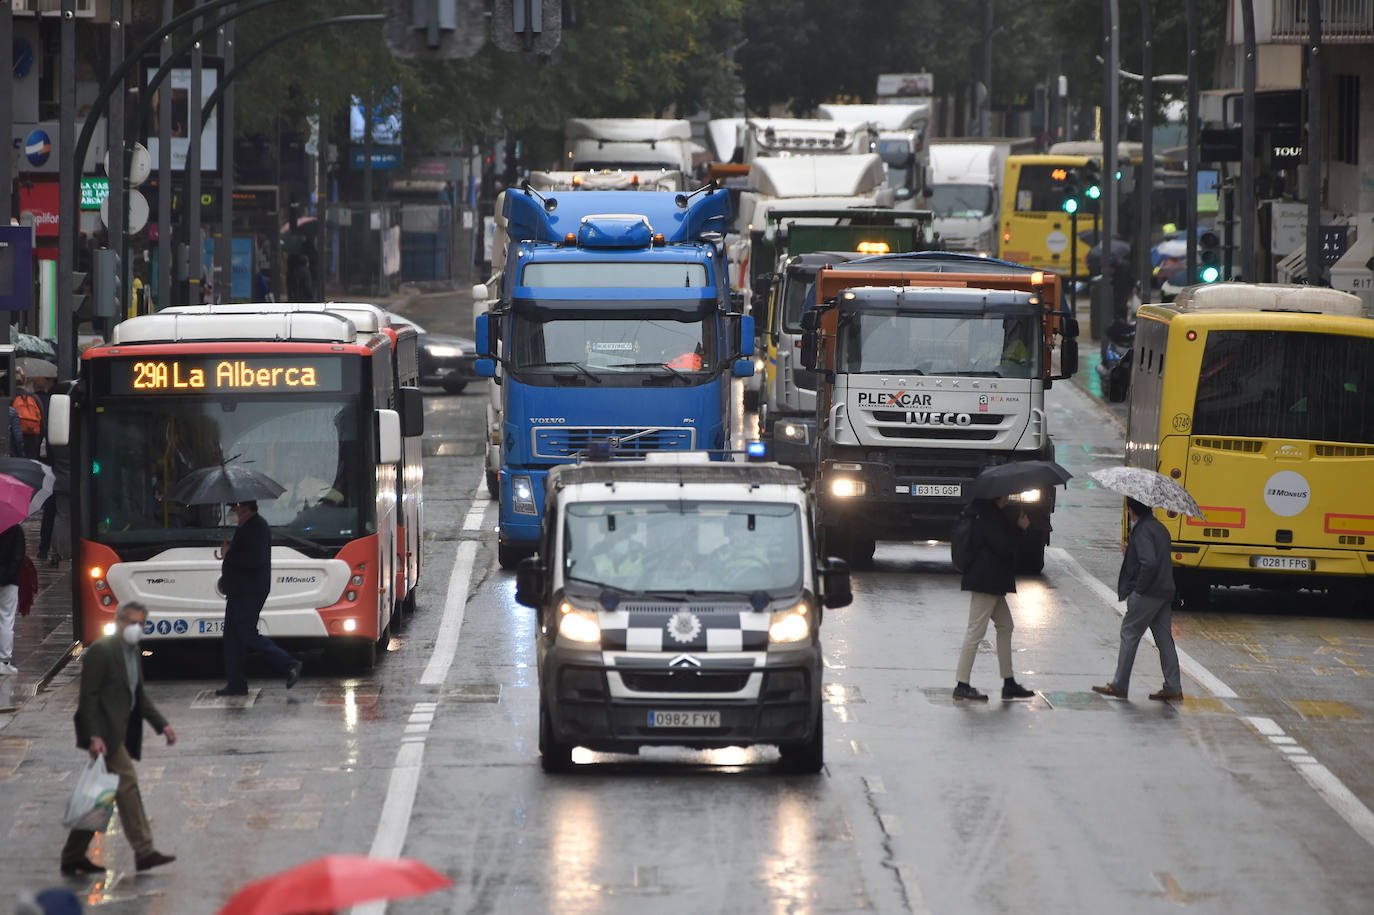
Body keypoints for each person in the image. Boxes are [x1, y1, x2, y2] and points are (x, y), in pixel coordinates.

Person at [60, 601, 177, 875]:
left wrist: (163, 725)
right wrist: (92, 736)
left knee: (99, 796)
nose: (137, 628)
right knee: (128, 786)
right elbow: (87, 697)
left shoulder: (133, 651)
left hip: (118, 732)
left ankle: (72, 856)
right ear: (120, 622)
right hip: (105, 736)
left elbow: (139, 695)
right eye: (132, 623)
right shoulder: (102, 650)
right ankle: (144, 851)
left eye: (141, 624)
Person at [1094, 498, 1183, 701]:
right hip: (1164, 591)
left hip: (1148, 593)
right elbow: (1156, 558)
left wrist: (1139, 591)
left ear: (1132, 510)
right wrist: (1130, 552)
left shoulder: (1142, 530)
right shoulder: (1159, 528)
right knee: (1164, 640)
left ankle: (1119, 685)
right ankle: (1173, 687)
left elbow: (1149, 562)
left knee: (1129, 633)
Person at [952, 496, 1036, 701]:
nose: (1007, 498)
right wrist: (1020, 528)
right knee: (975, 632)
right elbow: (1003, 546)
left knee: (1006, 625)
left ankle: (1009, 682)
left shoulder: (987, 513)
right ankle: (962, 685)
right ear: (996, 496)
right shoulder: (988, 517)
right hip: (986, 581)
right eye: (1005, 495)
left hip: (992, 581)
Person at [216, 500, 301, 696]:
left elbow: (255, 560)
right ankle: (236, 684)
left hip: (249, 591)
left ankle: (290, 664)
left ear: (245, 510)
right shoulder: (245, 526)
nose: (231, 512)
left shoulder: (257, 527)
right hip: (238, 591)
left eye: (234, 509)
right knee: (232, 639)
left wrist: (229, 554)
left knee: (247, 634)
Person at [0, 521, 23, 676]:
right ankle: (3, 660)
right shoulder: (15, 529)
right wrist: (8, 576)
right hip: (9, 582)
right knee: (7, 619)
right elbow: (18, 557)